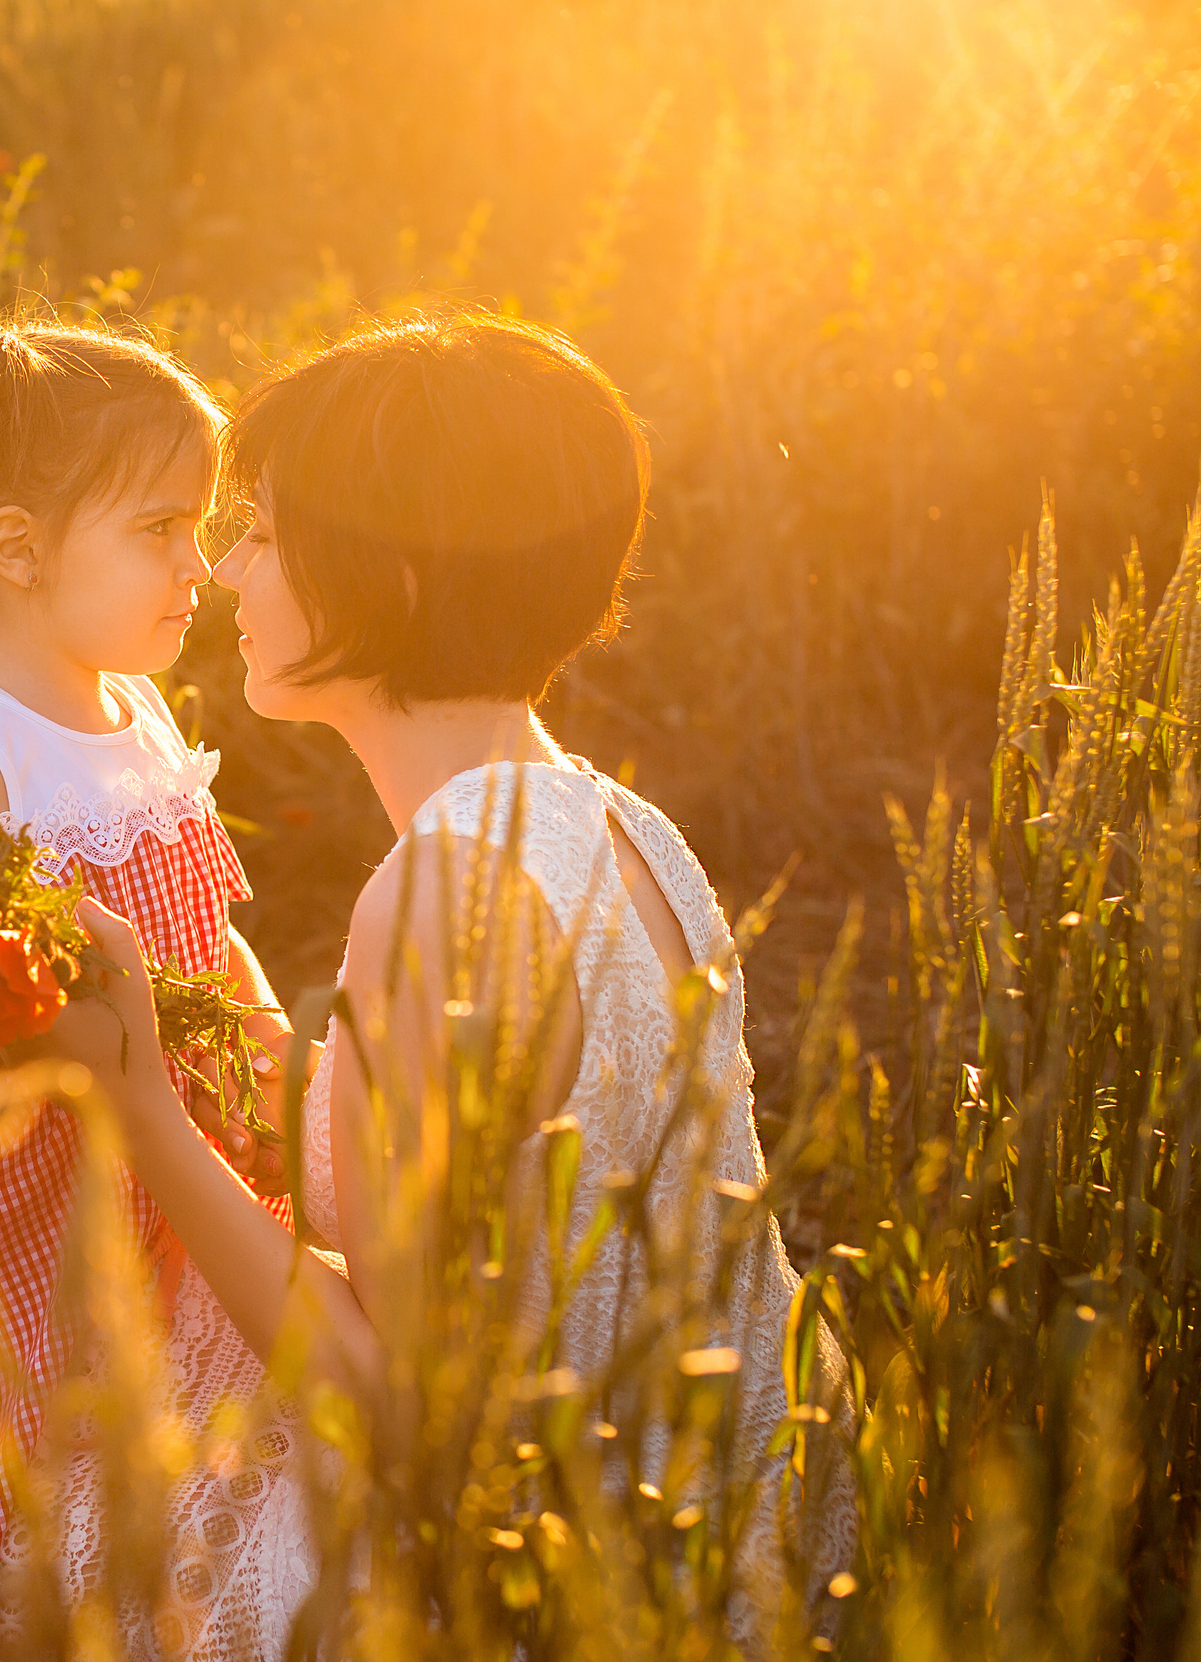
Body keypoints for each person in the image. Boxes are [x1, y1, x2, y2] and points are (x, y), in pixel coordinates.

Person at [60, 312, 859, 1655]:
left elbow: (403, 1414)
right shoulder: (620, 827)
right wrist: (231, 1015)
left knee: (59, 1532)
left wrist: (139, 1104)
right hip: (736, 1524)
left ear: (393, 581)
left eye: (264, 533)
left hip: (571, 1581)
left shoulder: (443, 889)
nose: (228, 570)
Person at [0, 321, 296, 1653]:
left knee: (189, 1407)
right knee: (30, 1436)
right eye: (159, 530)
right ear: (20, 550)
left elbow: (205, 918)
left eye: (201, 527)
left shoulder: (134, 707)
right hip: (42, 1179)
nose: (198, 565)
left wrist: (263, 1040)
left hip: (181, 1130)